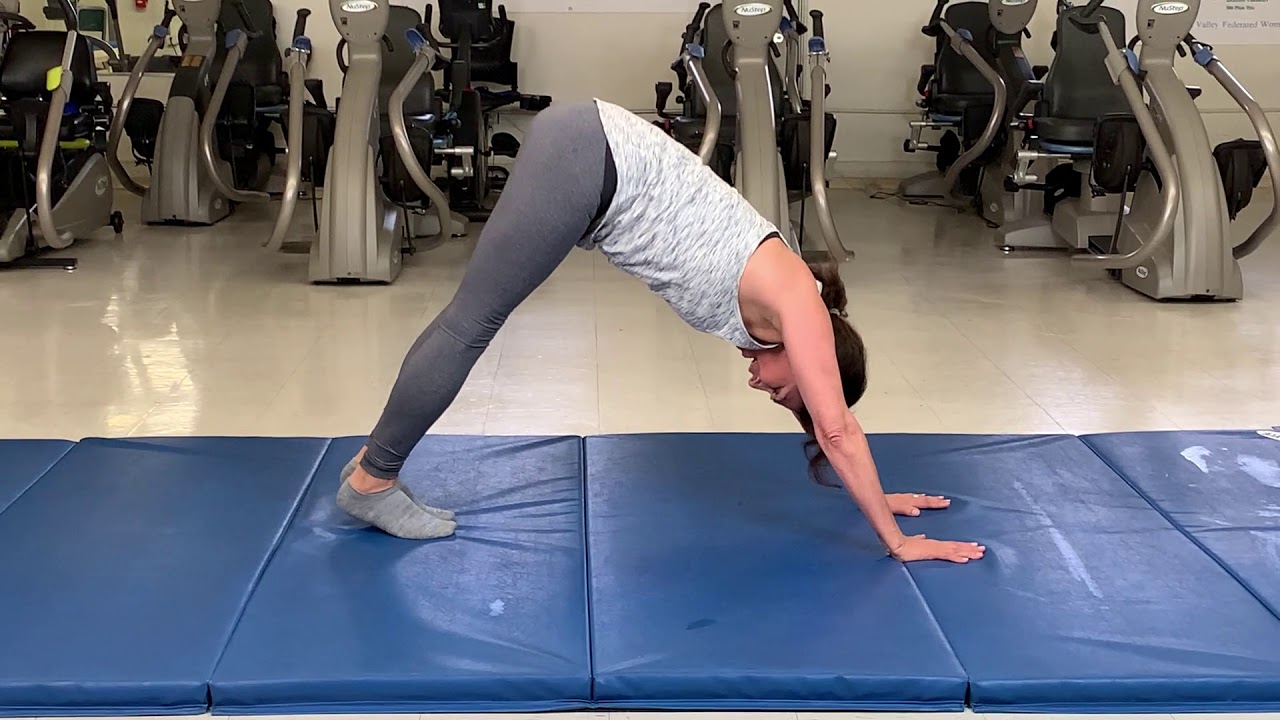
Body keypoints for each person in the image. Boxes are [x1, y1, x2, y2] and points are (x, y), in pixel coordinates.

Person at [335, 98, 986, 564]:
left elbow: (828, 426)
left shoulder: (785, 307)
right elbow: (839, 427)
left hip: (593, 151)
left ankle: (374, 464)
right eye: (788, 392)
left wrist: (876, 494)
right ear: (814, 354)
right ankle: (372, 481)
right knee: (472, 322)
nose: (769, 391)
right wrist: (897, 541)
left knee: (472, 318)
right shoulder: (801, 307)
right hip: (589, 158)